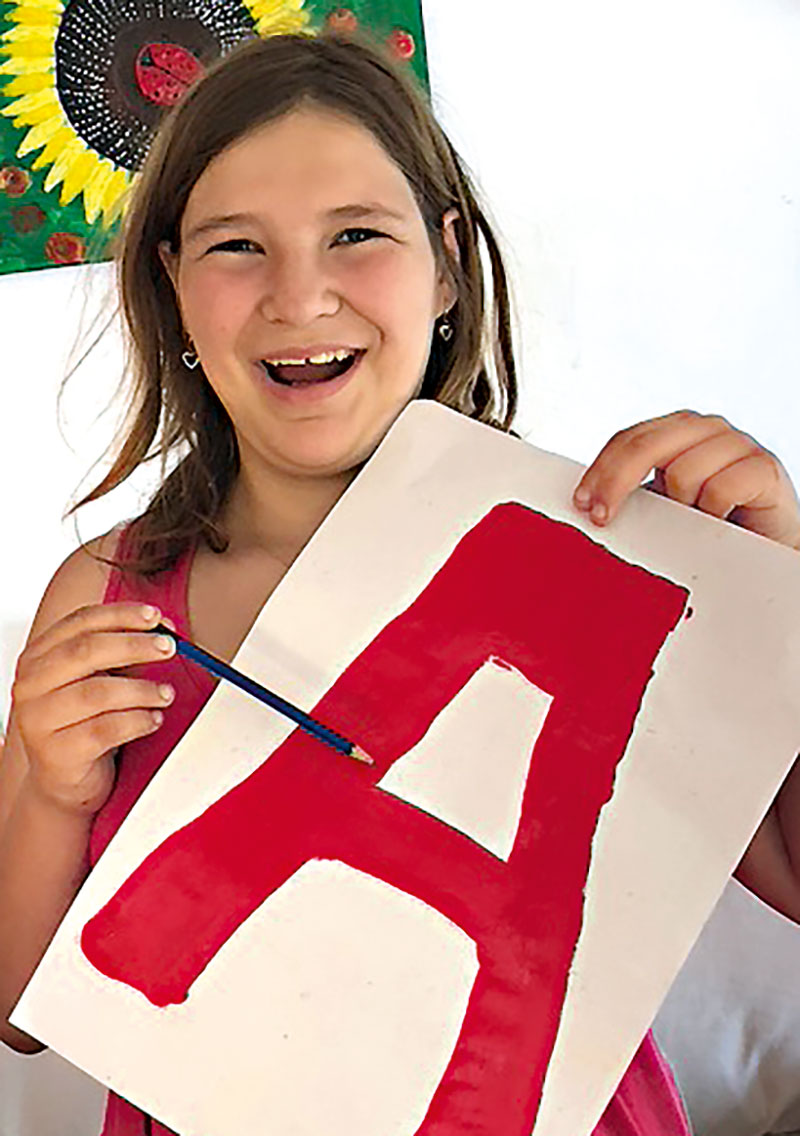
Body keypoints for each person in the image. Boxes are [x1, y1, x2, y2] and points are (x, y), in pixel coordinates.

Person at [1, 30, 799, 1136]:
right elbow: (22, 1012)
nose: (299, 293)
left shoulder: (616, 554)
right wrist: (50, 791)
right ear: (172, 284)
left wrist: (780, 608)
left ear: (445, 262)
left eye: (356, 235)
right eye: (236, 245)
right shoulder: (110, 596)